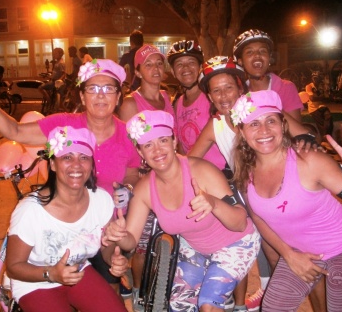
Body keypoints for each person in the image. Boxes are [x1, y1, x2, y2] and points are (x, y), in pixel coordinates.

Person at [0, 58, 141, 298]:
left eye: (108, 89)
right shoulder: (64, 125)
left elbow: (133, 168)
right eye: (93, 89)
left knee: (106, 295)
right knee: (56, 292)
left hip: (106, 227)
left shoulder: (128, 135)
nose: (101, 96)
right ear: (82, 96)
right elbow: (16, 131)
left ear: (119, 96)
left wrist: (129, 186)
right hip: (63, 226)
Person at [231, 89, 342, 311]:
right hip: (301, 252)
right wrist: (288, 255)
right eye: (253, 124)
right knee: (272, 307)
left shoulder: (309, 160)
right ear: (242, 131)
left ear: (283, 125)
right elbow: (259, 218)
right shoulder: (246, 170)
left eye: (271, 121)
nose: (264, 130)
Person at [104, 109, 260, 311]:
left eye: (163, 140)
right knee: (179, 307)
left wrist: (212, 203)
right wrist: (119, 234)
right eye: (148, 145)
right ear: (141, 153)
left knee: (208, 305)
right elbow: (130, 241)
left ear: (174, 141)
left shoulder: (201, 170)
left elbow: (240, 223)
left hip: (236, 243)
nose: (157, 150)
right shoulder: (144, 189)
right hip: (195, 248)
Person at [233, 29, 324, 311]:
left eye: (261, 51)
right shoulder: (237, 88)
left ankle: (319, 303)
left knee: (302, 246)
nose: (256, 56)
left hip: (286, 171)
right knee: (270, 244)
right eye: (249, 52)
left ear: (270, 56)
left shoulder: (284, 86)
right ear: (241, 60)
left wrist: (268, 103)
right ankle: (277, 293)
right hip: (251, 171)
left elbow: (295, 132)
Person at [6, 126, 128, 312]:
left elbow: (105, 246)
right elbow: (14, 266)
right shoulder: (31, 211)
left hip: (78, 272)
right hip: (36, 282)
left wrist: (113, 258)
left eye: (84, 158)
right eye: (67, 157)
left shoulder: (101, 200)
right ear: (53, 164)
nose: (76, 165)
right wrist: (52, 274)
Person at [118, 43, 175, 308]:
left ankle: (164, 282)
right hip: (144, 178)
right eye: (148, 64)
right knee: (141, 244)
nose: (155, 69)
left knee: (166, 234)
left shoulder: (167, 97)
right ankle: (140, 293)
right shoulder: (131, 103)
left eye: (159, 63)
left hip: (167, 174)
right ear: (138, 71)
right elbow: (131, 148)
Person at [167, 40, 226, 171]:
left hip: (219, 173)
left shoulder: (212, 98)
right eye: (179, 64)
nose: (186, 68)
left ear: (200, 67)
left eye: (191, 62)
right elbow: (182, 146)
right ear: (173, 71)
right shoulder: (178, 104)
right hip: (192, 173)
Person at [305, 71, 334, 149]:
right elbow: (312, 98)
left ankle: (326, 139)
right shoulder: (309, 86)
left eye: (317, 78)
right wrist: (323, 97)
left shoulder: (322, 86)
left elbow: (328, 97)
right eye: (314, 78)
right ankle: (325, 140)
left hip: (321, 106)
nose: (315, 80)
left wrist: (324, 97)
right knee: (321, 123)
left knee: (329, 118)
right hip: (313, 108)